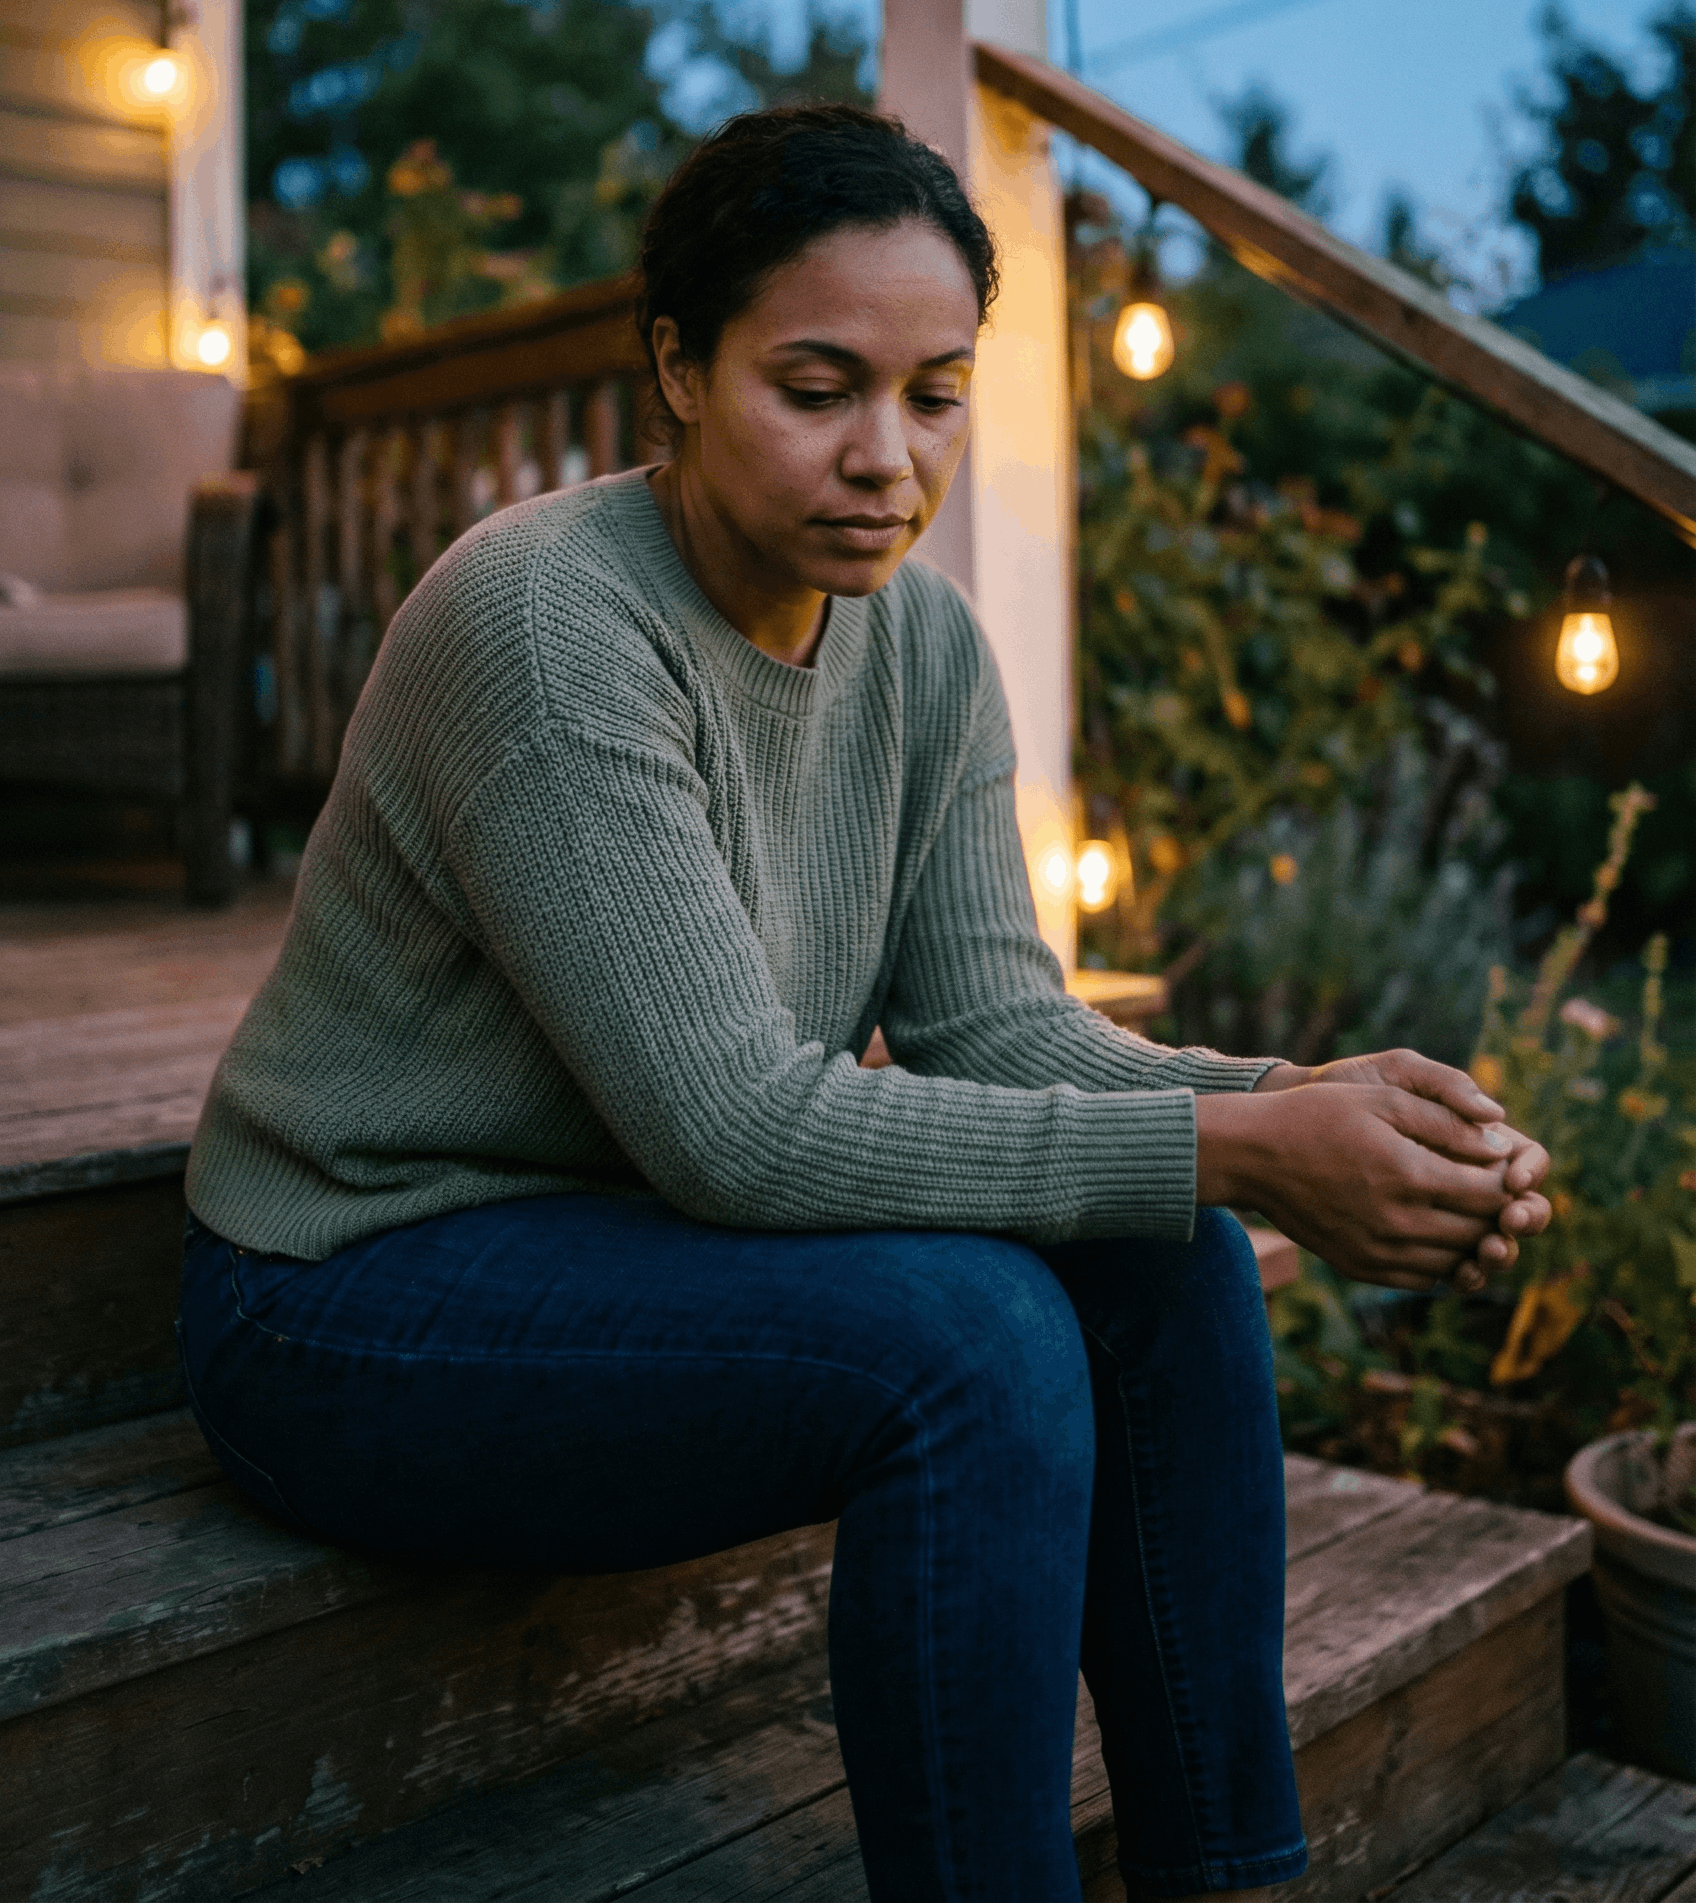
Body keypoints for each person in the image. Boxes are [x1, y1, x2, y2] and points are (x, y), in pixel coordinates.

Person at [180, 104, 1550, 1903]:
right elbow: (742, 1130)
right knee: (972, 1339)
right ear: (676, 365)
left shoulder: (918, 642)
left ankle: (1231, 1879)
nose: (884, 459)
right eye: (816, 386)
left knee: (1175, 1252)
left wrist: (1323, 1108)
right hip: (351, 1291)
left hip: (623, 1239)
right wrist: (1248, 1143)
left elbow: (1005, 1030)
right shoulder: (545, 625)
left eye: (934, 395)